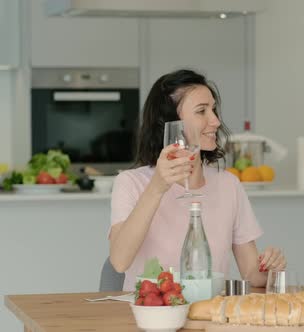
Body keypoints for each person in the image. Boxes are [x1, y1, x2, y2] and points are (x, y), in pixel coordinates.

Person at [109, 69, 285, 291]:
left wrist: (269, 269)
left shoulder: (228, 185)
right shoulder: (130, 183)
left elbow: (251, 273)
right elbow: (119, 261)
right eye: (202, 111)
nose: (216, 121)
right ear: (171, 123)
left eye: (213, 109)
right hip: (151, 316)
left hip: (209, 315)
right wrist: (157, 188)